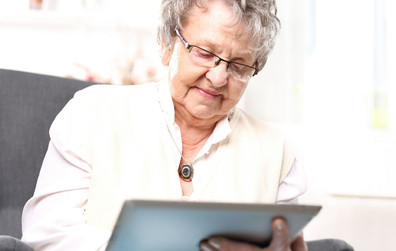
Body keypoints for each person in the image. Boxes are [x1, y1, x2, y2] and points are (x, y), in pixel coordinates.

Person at [21, 0, 308, 250]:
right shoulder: (90, 112)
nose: (219, 77)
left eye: (239, 65)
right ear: (168, 44)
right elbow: (46, 236)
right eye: (205, 53)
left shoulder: (277, 151)